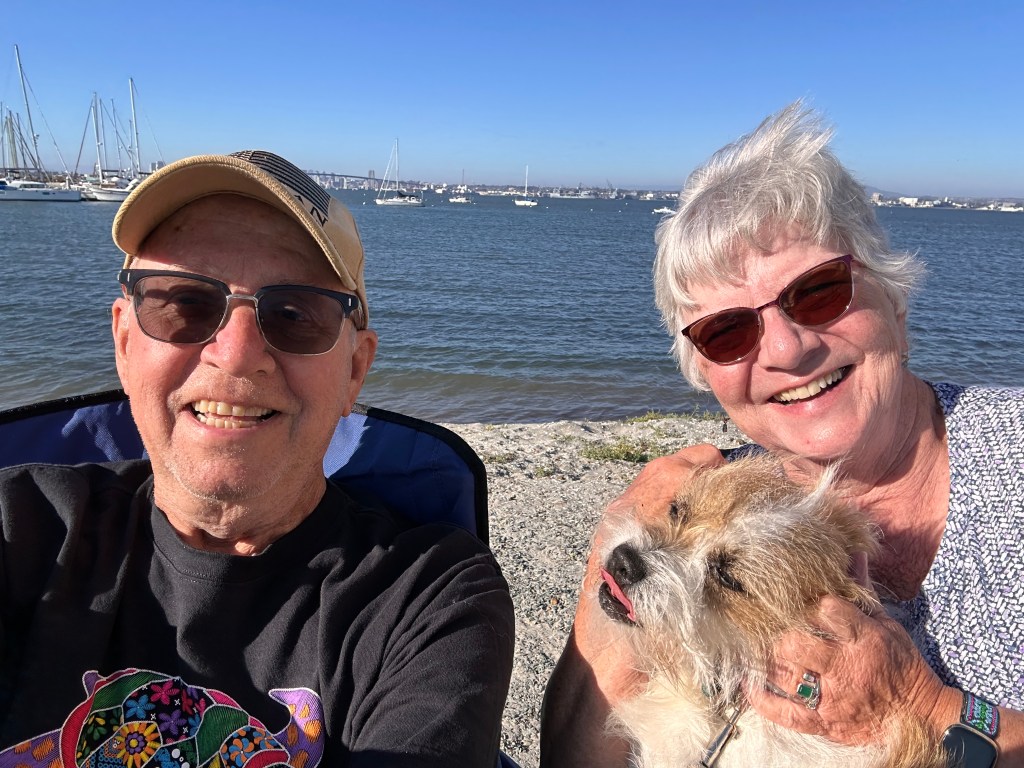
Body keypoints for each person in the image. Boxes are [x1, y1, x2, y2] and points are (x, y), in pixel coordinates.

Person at [540, 103, 1023, 766]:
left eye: (819, 291)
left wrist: (929, 710)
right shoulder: (695, 509)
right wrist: (614, 561)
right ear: (704, 372)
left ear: (895, 300)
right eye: (727, 331)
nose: (788, 350)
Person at [0, 150, 515, 767]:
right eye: (184, 303)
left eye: (294, 314)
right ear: (124, 343)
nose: (237, 353)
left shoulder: (423, 596)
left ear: (355, 371)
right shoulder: (17, 523)